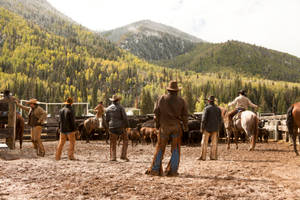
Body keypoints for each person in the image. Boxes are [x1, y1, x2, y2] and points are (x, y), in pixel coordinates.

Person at [146, 80, 188, 176]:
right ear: (177, 91)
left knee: (160, 147)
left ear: (168, 90)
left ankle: (155, 169)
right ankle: (172, 170)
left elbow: (156, 113)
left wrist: (157, 125)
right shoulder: (181, 101)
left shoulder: (161, 99)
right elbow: (185, 116)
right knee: (175, 148)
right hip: (176, 127)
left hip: (164, 127)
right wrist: (185, 126)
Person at [106, 95, 129, 161]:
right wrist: (127, 126)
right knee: (126, 140)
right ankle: (123, 156)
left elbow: (107, 120)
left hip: (112, 127)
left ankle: (113, 157)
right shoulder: (121, 107)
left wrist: (108, 127)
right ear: (118, 100)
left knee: (112, 142)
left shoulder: (108, 108)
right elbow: (125, 118)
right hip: (120, 127)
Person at [199, 96, 222, 160]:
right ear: (213, 101)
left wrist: (202, 128)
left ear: (209, 101)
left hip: (207, 128)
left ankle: (203, 157)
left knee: (204, 143)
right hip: (215, 128)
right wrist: (218, 128)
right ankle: (213, 157)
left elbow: (203, 119)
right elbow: (220, 120)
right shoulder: (218, 109)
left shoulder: (206, 108)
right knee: (214, 143)